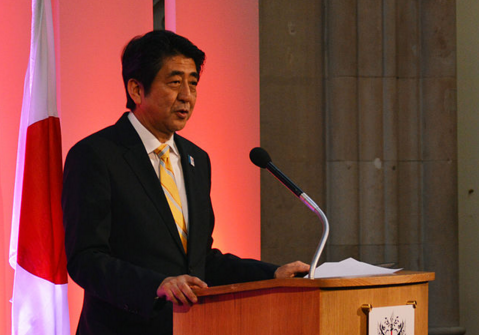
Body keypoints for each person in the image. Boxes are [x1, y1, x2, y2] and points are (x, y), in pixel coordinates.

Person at [62, 30, 309, 335]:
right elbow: (85, 259)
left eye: (193, 83)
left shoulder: (196, 159)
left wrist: (271, 274)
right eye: (175, 82)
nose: (187, 96)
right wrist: (156, 286)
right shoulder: (96, 155)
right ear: (137, 90)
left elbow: (201, 261)